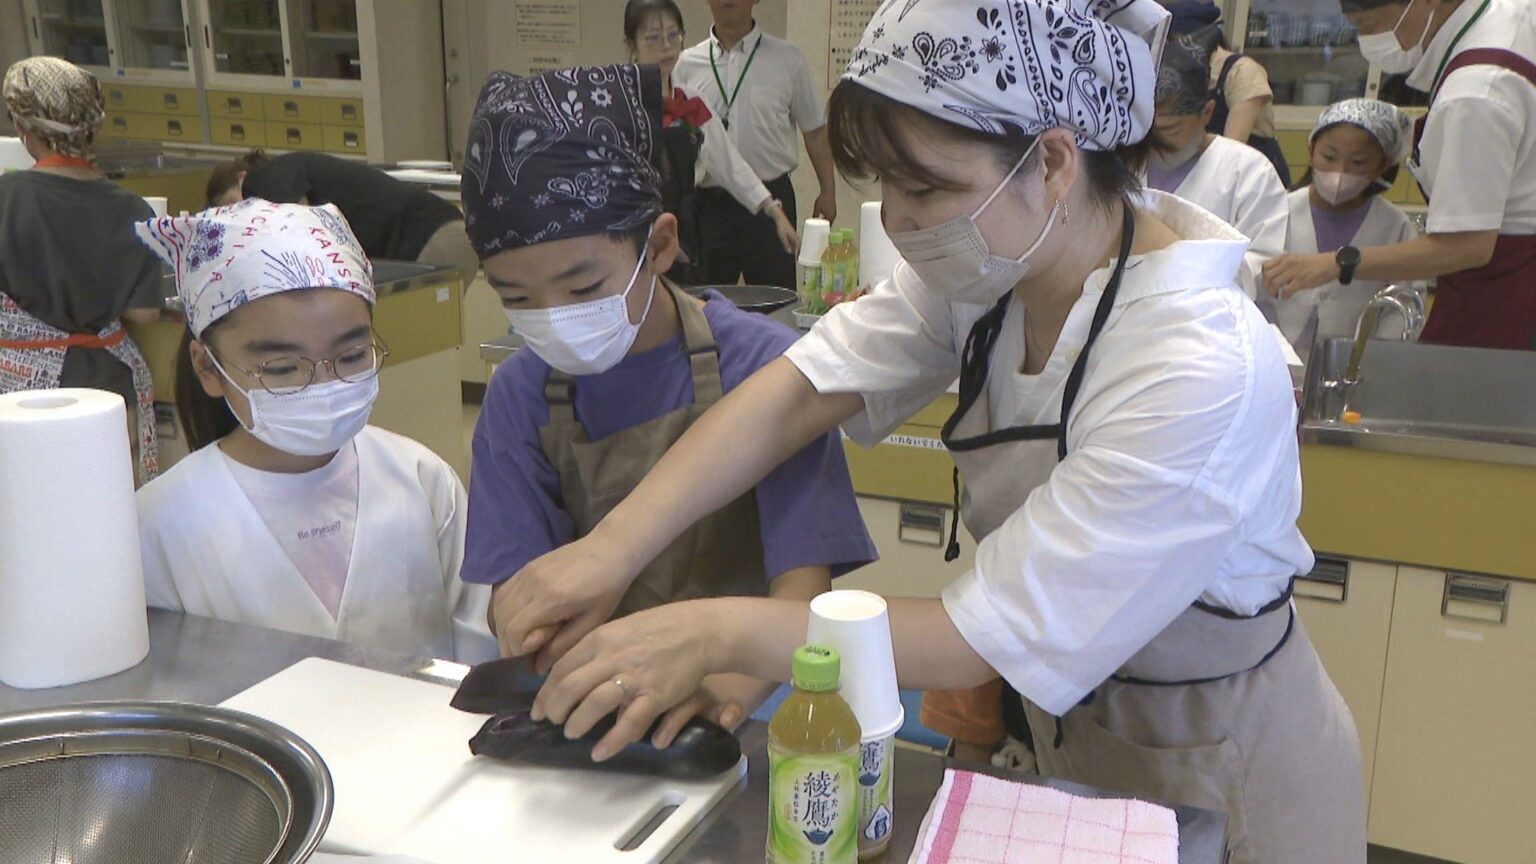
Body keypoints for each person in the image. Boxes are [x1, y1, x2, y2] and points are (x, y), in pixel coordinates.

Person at [490, 3, 1369, 862]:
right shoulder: (996, 268)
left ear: (1053, 161)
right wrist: (609, 549)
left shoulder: (1196, 366)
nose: (901, 221)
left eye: (927, 186)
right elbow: (801, 389)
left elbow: (973, 636)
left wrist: (710, 633)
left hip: (1223, 755)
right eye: (885, 184)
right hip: (1071, 731)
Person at [457, 65, 876, 724]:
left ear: (659, 244)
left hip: (745, 706)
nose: (552, 315)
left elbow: (804, 600)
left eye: (582, 286)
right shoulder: (520, 396)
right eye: (517, 299)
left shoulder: (764, 371)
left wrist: (718, 701)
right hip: (596, 713)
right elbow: (523, 597)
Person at [133, 199, 495, 663]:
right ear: (208, 366)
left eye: (351, 357)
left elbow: (479, 648)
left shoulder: (422, 480)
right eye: (282, 368)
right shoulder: (161, 524)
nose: (324, 386)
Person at [1265, 0, 1536, 350]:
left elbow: (1469, 245)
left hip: (1507, 286)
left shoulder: (1475, 95)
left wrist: (1337, 263)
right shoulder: (1509, 15)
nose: (1368, 41)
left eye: (1370, 24)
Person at [0, 57, 162, 484]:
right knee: (106, 514)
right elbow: (146, 314)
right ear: (93, 126)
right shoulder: (133, 209)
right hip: (109, 388)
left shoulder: (6, 198)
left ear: (24, 127)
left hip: (21, 397)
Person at [624, 0, 798, 284]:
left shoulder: (692, 102)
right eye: (653, 37)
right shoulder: (622, 105)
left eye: (673, 35)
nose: (666, 46)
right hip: (638, 237)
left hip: (688, 230)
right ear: (632, 42)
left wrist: (774, 211)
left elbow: (730, 164)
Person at [672, 0, 837, 290]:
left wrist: (828, 190)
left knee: (777, 302)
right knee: (705, 305)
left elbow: (814, 129)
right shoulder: (685, 64)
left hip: (773, 202)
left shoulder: (788, 59)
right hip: (709, 205)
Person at [1269, 99, 1423, 354]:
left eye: (1359, 162)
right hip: (1273, 356)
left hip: (1352, 366)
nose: (1340, 172)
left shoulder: (1395, 227)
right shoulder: (1275, 212)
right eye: (1329, 157)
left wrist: (1375, 359)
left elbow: (1401, 306)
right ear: (1311, 151)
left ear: (1382, 165)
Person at [1144, 39, 1289, 299]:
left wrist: (1179, 269)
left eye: (1171, 130)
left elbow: (1265, 268)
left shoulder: (1249, 173)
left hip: (1213, 324)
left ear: (1207, 113)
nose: (1158, 142)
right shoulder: (1126, 165)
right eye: (1148, 131)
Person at [205, 150, 479, 283]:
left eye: (232, 205)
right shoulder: (294, 169)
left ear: (240, 178)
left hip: (429, 241)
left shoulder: (263, 178)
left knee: (410, 357)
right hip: (444, 233)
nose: (240, 215)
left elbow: (295, 228)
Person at [1166, 0, 1291, 186]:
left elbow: (1232, 149)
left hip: (1253, 180)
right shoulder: (1185, 73)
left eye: (1173, 42)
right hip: (1210, 174)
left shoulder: (1243, 72)